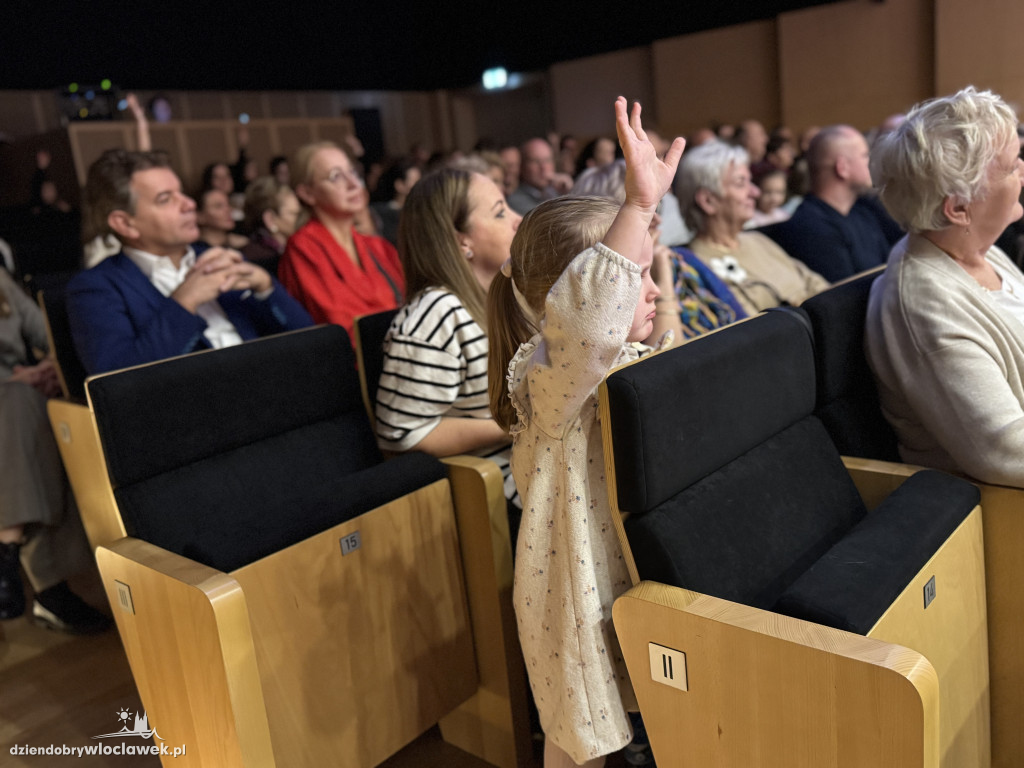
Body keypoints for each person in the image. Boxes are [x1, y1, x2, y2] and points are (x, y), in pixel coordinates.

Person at [487, 96, 684, 767]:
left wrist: (646, 229)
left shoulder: (619, 358)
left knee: (644, 720)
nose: (651, 286)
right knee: (581, 741)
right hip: (574, 586)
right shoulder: (548, 376)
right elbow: (592, 323)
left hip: (626, 571)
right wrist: (631, 207)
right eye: (637, 274)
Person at [866, 87, 1024, 487]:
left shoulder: (979, 252)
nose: (1022, 169)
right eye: (1009, 167)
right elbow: (1007, 450)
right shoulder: (924, 303)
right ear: (958, 208)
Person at [67, 150, 312, 375]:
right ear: (125, 224)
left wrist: (266, 288)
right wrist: (184, 302)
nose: (189, 204)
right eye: (165, 199)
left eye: (181, 192)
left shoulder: (218, 258)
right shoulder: (96, 288)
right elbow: (119, 382)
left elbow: (308, 342)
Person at [375, 168, 521, 507]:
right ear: (461, 241)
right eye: (500, 212)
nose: (518, 220)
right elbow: (401, 438)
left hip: (545, 463)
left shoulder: (509, 293)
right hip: (507, 489)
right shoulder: (436, 314)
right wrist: (521, 422)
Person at [0, 268, 110, 633]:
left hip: (18, 403)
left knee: (38, 409)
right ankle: (48, 587)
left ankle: (8, 551)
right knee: (21, 404)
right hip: (13, 397)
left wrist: (49, 366)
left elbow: (46, 335)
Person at [571, 160, 745, 341]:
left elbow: (742, 319)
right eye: (638, 213)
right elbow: (669, 359)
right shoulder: (612, 297)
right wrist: (662, 279)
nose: (658, 220)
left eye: (656, 207)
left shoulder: (681, 258)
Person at [675, 141, 829, 315]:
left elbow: (817, 284)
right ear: (708, 201)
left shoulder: (757, 240)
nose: (755, 192)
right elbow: (754, 326)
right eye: (741, 183)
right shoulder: (693, 266)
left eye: (751, 182)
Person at [278, 141, 405, 341]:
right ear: (307, 193)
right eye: (336, 176)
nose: (354, 184)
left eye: (352, 172)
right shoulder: (303, 248)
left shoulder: (377, 246)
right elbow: (341, 328)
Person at [767, 125, 896, 281]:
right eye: (865, 155)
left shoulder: (863, 209)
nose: (871, 162)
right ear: (842, 168)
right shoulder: (809, 228)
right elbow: (843, 297)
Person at [240, 176, 301, 275]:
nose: (302, 220)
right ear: (270, 219)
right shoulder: (263, 261)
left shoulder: (281, 251)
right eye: (294, 214)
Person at [507, 138, 560, 215]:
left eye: (547, 160)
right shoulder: (515, 201)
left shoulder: (555, 191)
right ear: (522, 166)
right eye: (535, 161)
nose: (543, 167)